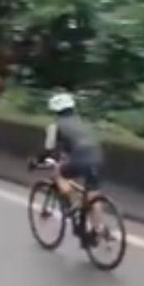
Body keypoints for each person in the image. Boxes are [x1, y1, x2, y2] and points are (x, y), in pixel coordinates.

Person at [32, 91, 107, 233]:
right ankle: (100, 229)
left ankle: (73, 204)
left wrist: (36, 161)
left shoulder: (55, 126)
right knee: (93, 195)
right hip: (97, 157)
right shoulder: (84, 123)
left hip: (80, 158)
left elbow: (48, 150)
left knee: (58, 173)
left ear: (55, 111)